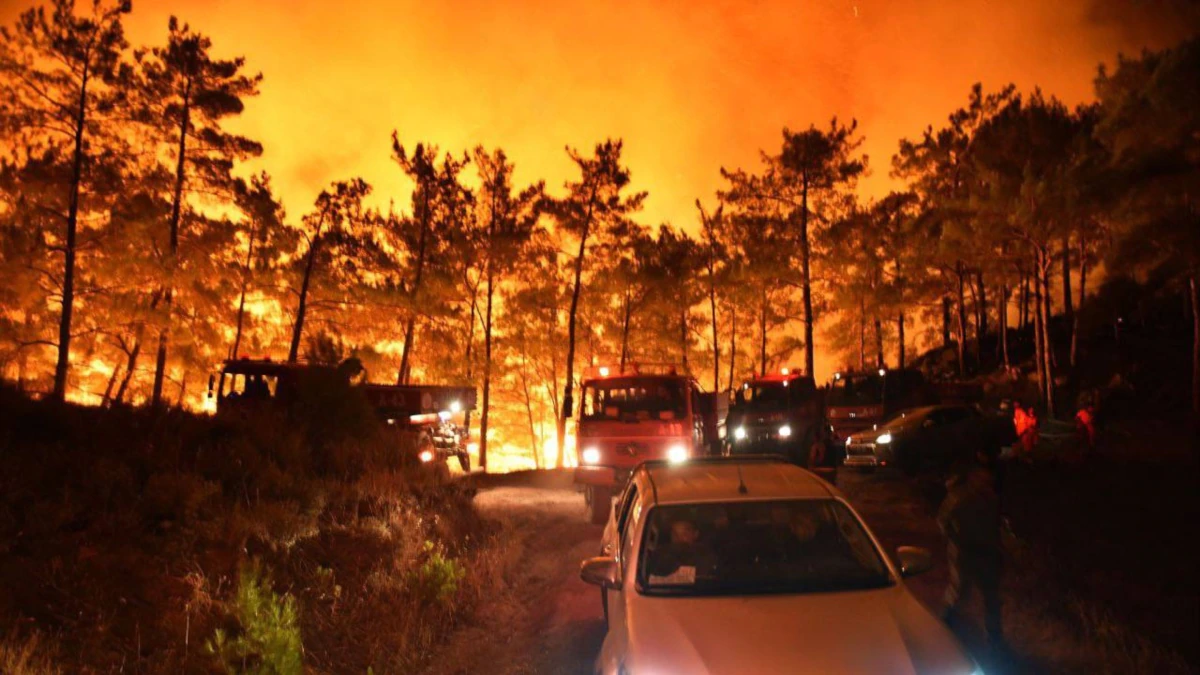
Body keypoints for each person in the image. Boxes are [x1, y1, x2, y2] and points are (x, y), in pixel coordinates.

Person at [938, 461, 1006, 656]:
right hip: (965, 553)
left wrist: (999, 548)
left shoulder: (991, 499)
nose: (985, 482)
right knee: (959, 592)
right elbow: (943, 521)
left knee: (991, 597)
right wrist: (955, 540)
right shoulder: (959, 498)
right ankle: (945, 627)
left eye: (988, 479)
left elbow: (995, 527)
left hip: (987, 553)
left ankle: (995, 637)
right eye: (982, 478)